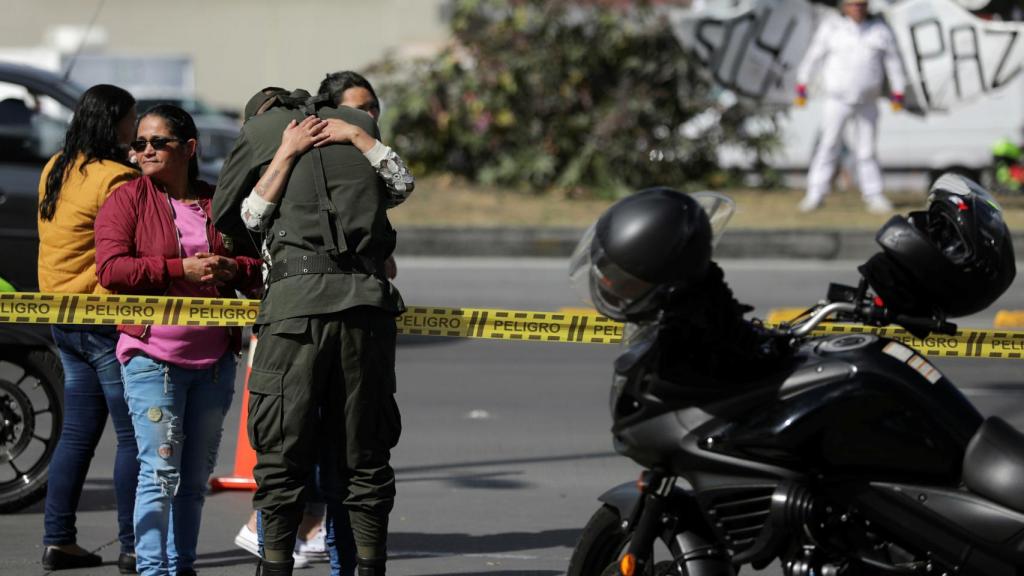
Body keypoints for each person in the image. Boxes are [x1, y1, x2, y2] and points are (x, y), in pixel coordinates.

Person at [213, 76, 410, 576]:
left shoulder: (262, 134)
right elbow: (398, 189)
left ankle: (277, 564)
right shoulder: (359, 126)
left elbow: (231, 218)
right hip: (365, 310)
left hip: (294, 314)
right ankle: (367, 568)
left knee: (281, 454)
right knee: (364, 455)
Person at [95, 104, 263, 576]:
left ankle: (181, 565)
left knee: (192, 481)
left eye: (157, 143)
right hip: (153, 359)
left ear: (189, 149)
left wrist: (232, 268)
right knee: (159, 473)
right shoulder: (126, 200)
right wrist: (178, 269)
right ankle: (152, 569)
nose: (145, 151)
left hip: (212, 363)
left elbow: (258, 268)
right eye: (139, 143)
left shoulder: (218, 202)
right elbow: (111, 270)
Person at [36, 84, 140, 573]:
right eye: (132, 119)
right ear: (116, 122)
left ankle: (58, 540)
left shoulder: (54, 168)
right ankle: (133, 546)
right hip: (102, 322)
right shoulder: (116, 178)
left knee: (77, 435)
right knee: (132, 436)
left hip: (62, 318)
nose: (137, 128)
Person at [794, 0, 906, 214]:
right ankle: (815, 193)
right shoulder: (832, 28)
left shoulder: (879, 30)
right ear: (844, 6)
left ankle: (874, 194)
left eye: (861, 4)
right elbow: (813, 56)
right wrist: (802, 83)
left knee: (867, 150)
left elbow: (893, 62)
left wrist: (898, 91)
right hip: (837, 99)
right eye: (853, 4)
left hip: (868, 100)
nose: (858, 8)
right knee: (828, 145)